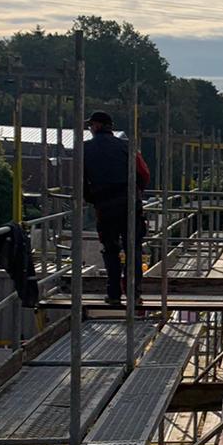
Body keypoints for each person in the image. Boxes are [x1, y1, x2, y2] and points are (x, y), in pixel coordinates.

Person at [82, 111, 150, 306]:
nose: (90, 129)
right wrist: (135, 193)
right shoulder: (127, 147)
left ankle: (113, 295)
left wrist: (93, 198)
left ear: (96, 126)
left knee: (111, 250)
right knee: (133, 249)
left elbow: (80, 179)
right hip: (129, 205)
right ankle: (134, 294)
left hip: (105, 207)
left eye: (90, 126)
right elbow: (144, 174)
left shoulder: (85, 149)